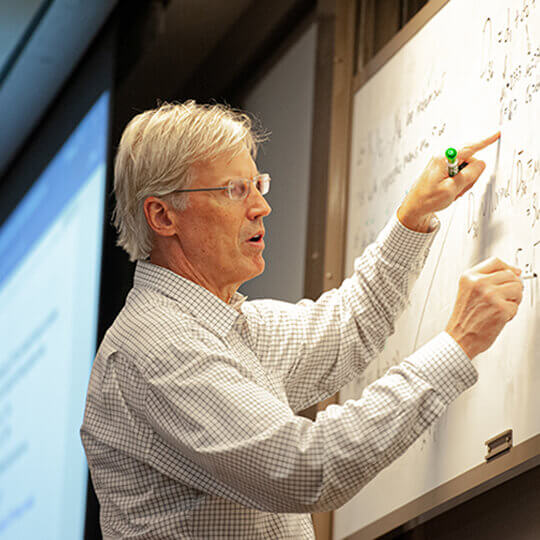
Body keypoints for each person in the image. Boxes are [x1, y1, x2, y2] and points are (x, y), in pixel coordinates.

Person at [80, 101, 523, 539]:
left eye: (258, 185)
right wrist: (457, 344)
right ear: (162, 215)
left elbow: (351, 323)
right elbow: (307, 467)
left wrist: (414, 214)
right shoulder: (157, 346)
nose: (260, 207)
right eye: (235, 190)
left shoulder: (226, 325)